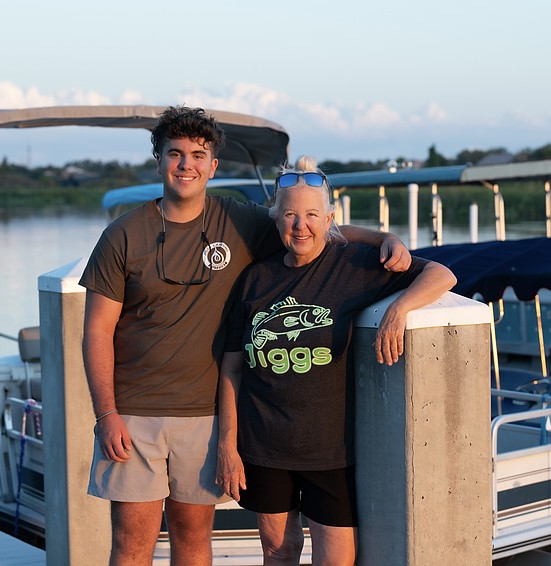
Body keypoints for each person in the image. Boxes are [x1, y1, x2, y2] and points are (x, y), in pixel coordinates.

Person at [80, 107, 412, 566]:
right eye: (175, 154)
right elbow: (96, 329)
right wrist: (106, 413)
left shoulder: (239, 221)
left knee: (193, 541)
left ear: (213, 166)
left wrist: (381, 240)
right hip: (135, 413)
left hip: (205, 414)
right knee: (132, 543)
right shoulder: (122, 235)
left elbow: (310, 227)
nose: (186, 165)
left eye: (198, 155)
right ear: (158, 160)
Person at [216, 155, 457, 565]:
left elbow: (441, 275)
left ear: (329, 219)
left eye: (311, 214)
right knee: (279, 552)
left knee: (337, 560)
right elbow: (232, 369)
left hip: (330, 452)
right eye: (290, 214)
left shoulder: (354, 266)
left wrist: (398, 311)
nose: (300, 225)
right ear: (276, 220)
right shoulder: (255, 280)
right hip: (263, 447)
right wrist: (228, 447)